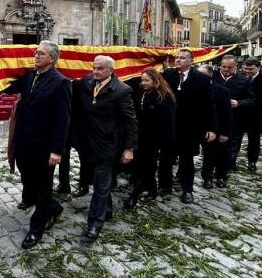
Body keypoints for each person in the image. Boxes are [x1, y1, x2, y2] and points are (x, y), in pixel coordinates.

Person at [2, 41, 71, 249]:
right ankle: (53, 206)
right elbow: (8, 87)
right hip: (24, 142)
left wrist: (57, 151)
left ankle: (36, 228)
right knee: (28, 180)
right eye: (36, 52)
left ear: (52, 58)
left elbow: (62, 119)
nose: (36, 56)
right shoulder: (29, 75)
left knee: (42, 185)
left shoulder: (61, 82)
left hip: (44, 146)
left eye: (41, 53)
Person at [72, 56, 137, 241]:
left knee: (101, 185)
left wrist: (129, 148)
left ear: (110, 70)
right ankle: (106, 209)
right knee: (97, 180)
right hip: (87, 143)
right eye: (94, 68)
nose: (95, 71)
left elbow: (130, 121)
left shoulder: (122, 91)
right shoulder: (87, 81)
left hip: (107, 146)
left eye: (100, 69)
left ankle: (94, 224)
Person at [161, 49, 216, 204]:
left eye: (182, 58)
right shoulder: (168, 74)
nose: (178, 60)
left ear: (191, 61)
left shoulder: (202, 78)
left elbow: (209, 105)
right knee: (166, 157)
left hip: (190, 127)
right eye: (177, 57)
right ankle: (165, 185)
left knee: (186, 160)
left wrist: (211, 128)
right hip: (169, 124)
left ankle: (187, 190)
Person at [125, 68, 175, 208]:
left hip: (154, 138)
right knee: (142, 164)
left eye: (147, 80)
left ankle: (139, 193)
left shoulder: (163, 97)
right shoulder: (143, 93)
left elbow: (168, 122)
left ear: (156, 81)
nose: (143, 83)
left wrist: (164, 142)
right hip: (141, 136)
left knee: (148, 165)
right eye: (142, 80)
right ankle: (147, 187)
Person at [213, 55, 255, 177]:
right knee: (214, 145)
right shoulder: (213, 77)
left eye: (229, 67)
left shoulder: (243, 80)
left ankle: (227, 167)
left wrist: (239, 103)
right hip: (215, 118)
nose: (226, 69)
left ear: (236, 66)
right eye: (223, 66)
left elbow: (252, 100)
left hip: (235, 119)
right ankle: (215, 165)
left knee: (232, 145)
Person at [200, 64, 233, 188]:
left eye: (202, 74)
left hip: (219, 127)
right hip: (203, 128)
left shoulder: (222, 91)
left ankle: (221, 176)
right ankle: (207, 177)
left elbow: (227, 113)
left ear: (210, 75)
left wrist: (225, 132)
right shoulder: (194, 88)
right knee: (208, 154)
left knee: (222, 154)